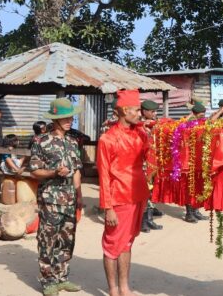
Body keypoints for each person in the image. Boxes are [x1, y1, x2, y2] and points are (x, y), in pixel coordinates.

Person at [97, 89, 153, 296]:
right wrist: (108, 207)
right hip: (118, 198)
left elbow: (151, 158)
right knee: (113, 244)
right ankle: (113, 289)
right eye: (136, 110)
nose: (140, 114)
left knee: (127, 242)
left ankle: (125, 287)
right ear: (123, 110)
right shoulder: (107, 139)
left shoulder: (140, 134)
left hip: (138, 195)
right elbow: (103, 176)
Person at [29, 98, 83, 296]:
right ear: (55, 119)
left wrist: (79, 195)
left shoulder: (72, 141)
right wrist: (53, 173)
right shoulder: (41, 142)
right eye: (65, 117)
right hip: (50, 200)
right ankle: (48, 280)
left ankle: (62, 277)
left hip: (69, 199)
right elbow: (34, 170)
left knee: (67, 239)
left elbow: (77, 170)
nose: (70, 120)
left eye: (70, 116)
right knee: (48, 240)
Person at [139, 100, 163, 232]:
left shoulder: (154, 124)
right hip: (142, 165)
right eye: (152, 111)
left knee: (152, 192)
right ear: (144, 111)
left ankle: (149, 219)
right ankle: (142, 222)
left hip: (153, 165)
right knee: (144, 193)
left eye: (155, 111)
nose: (155, 114)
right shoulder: (139, 125)